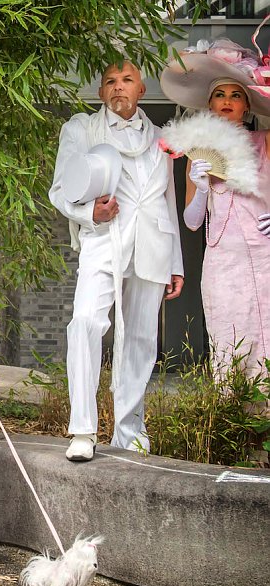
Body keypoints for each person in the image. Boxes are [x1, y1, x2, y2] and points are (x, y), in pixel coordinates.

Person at [49, 61, 185, 461]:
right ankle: (84, 430)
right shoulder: (81, 129)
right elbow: (60, 189)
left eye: (127, 80)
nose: (118, 87)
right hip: (104, 240)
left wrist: (175, 261)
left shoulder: (162, 139)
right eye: (110, 81)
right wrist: (90, 212)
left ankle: (130, 431)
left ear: (142, 89)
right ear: (101, 92)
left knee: (142, 339)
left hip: (153, 244)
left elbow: (168, 200)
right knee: (86, 322)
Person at [160, 38, 270, 385]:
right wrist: (202, 186)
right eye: (220, 95)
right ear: (209, 104)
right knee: (228, 338)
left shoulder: (264, 142)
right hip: (222, 259)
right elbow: (193, 222)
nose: (227, 101)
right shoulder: (198, 150)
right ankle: (231, 418)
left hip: (266, 254)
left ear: (247, 105)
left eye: (236, 95)